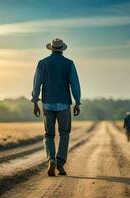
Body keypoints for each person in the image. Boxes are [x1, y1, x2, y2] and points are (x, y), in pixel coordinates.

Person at [31, 38, 81, 177]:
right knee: (64, 134)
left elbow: (36, 85)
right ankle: (60, 163)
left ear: (51, 48)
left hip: (47, 103)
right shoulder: (69, 64)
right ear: (62, 49)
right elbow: (75, 84)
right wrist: (77, 102)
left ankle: (51, 159)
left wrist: (35, 102)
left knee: (49, 135)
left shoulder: (42, 63)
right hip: (64, 104)